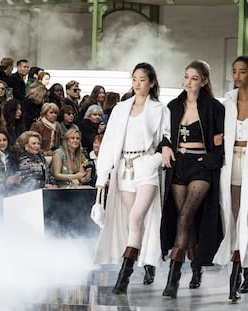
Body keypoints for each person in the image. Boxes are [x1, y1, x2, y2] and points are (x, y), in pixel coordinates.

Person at [93, 63, 169, 295]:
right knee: (133, 222)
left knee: (137, 218)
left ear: (152, 82)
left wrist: (154, 160)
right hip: (124, 171)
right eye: (134, 79)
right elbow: (108, 142)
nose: (137, 83)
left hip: (146, 167)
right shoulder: (120, 108)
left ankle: (123, 279)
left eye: (142, 79)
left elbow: (166, 138)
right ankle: (147, 262)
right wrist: (102, 174)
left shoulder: (160, 109)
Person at [160, 60, 224, 299]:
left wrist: (207, 163)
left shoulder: (214, 107)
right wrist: (165, 147)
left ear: (204, 81)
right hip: (178, 166)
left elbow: (219, 145)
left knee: (186, 215)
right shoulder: (173, 106)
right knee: (184, 220)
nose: (188, 82)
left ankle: (173, 278)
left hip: (201, 166)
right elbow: (164, 136)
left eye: (194, 78)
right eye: (186, 77)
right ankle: (195, 267)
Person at [213, 56, 248, 303]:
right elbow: (218, 131)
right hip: (232, 163)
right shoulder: (227, 101)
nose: (237, 76)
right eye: (234, 71)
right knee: (235, 216)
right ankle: (237, 275)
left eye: (243, 71)